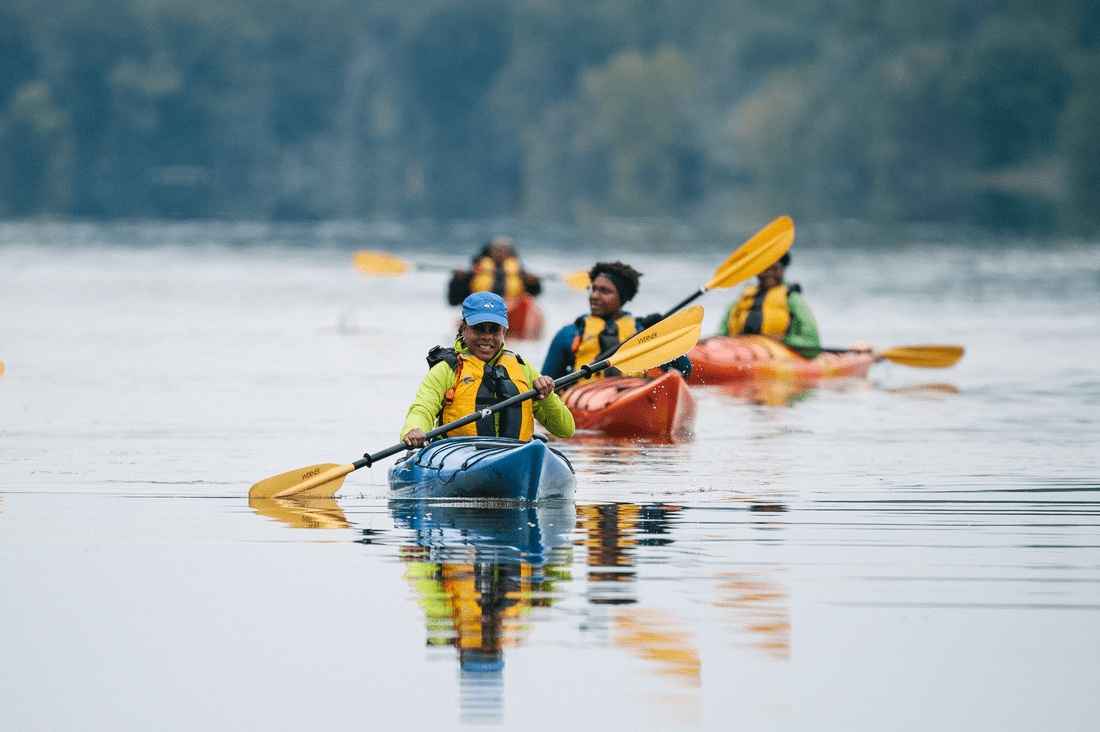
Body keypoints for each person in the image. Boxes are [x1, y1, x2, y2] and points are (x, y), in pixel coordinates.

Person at [401, 291, 574, 447]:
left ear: (504, 331)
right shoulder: (446, 370)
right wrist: (414, 430)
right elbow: (423, 408)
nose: (487, 337)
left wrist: (547, 397)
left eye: (494, 330)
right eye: (478, 329)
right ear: (463, 328)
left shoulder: (523, 369)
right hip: (458, 457)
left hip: (515, 455)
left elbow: (566, 430)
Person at [541, 261, 692, 381]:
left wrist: (661, 332)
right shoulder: (569, 333)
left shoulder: (641, 331)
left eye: (604, 291)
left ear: (622, 298)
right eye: (593, 289)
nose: (594, 296)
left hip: (632, 393)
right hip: (586, 396)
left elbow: (684, 370)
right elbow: (546, 383)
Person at [717, 252, 820, 357]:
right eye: (764, 269)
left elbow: (812, 343)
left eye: (775, 269)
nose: (769, 274)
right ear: (757, 272)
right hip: (739, 352)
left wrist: (782, 340)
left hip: (780, 355)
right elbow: (722, 334)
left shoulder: (793, 299)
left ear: (782, 270)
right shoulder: (742, 299)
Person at [447, 236, 542, 306]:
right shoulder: (476, 271)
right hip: (482, 306)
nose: (500, 253)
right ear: (488, 251)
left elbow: (534, 293)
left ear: (511, 253)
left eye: (504, 250)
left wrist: (534, 283)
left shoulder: (520, 273)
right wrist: (457, 280)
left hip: (512, 306)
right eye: (496, 249)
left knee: (526, 301)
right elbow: (454, 300)